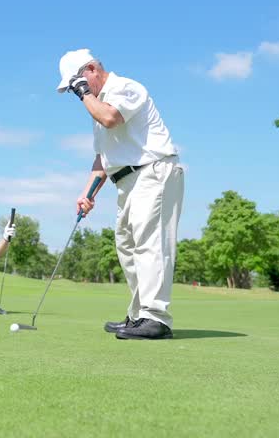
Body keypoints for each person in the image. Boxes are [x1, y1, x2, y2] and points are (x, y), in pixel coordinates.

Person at [57, 49, 184, 340]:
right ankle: (139, 315)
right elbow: (103, 158)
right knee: (126, 246)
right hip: (126, 180)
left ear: (91, 69)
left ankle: (156, 317)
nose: (75, 94)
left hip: (153, 171)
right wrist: (87, 193)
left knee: (150, 244)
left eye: (75, 84)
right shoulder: (97, 105)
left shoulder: (125, 87)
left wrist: (84, 94)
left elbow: (111, 118)